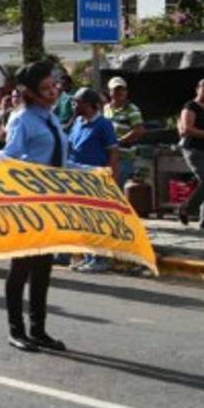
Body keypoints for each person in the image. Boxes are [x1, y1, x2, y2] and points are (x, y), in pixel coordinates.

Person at [0, 61, 76, 353]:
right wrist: (33, 172)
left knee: (44, 267)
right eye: (45, 88)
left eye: (53, 86)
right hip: (28, 203)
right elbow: (9, 158)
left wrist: (92, 172)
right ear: (30, 93)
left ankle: (39, 329)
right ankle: (16, 330)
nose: (53, 91)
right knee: (21, 266)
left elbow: (62, 162)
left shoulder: (52, 118)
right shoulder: (22, 120)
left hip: (52, 203)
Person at [67, 87, 121, 271]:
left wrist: (111, 176)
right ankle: (89, 255)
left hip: (96, 178)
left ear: (90, 105)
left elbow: (113, 151)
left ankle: (101, 258)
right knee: (82, 220)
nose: (75, 105)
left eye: (79, 102)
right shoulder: (77, 122)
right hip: (76, 178)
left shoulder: (103, 124)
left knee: (97, 219)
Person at [177, 78, 204, 231]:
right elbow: (187, 129)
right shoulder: (190, 106)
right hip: (195, 150)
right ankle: (186, 207)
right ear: (197, 90)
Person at [104, 76, 145, 187]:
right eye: (116, 89)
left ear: (126, 92)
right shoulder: (106, 108)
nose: (119, 92)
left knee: (119, 190)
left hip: (123, 157)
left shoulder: (131, 109)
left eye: (122, 89)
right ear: (110, 92)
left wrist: (120, 141)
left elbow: (139, 130)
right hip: (107, 157)